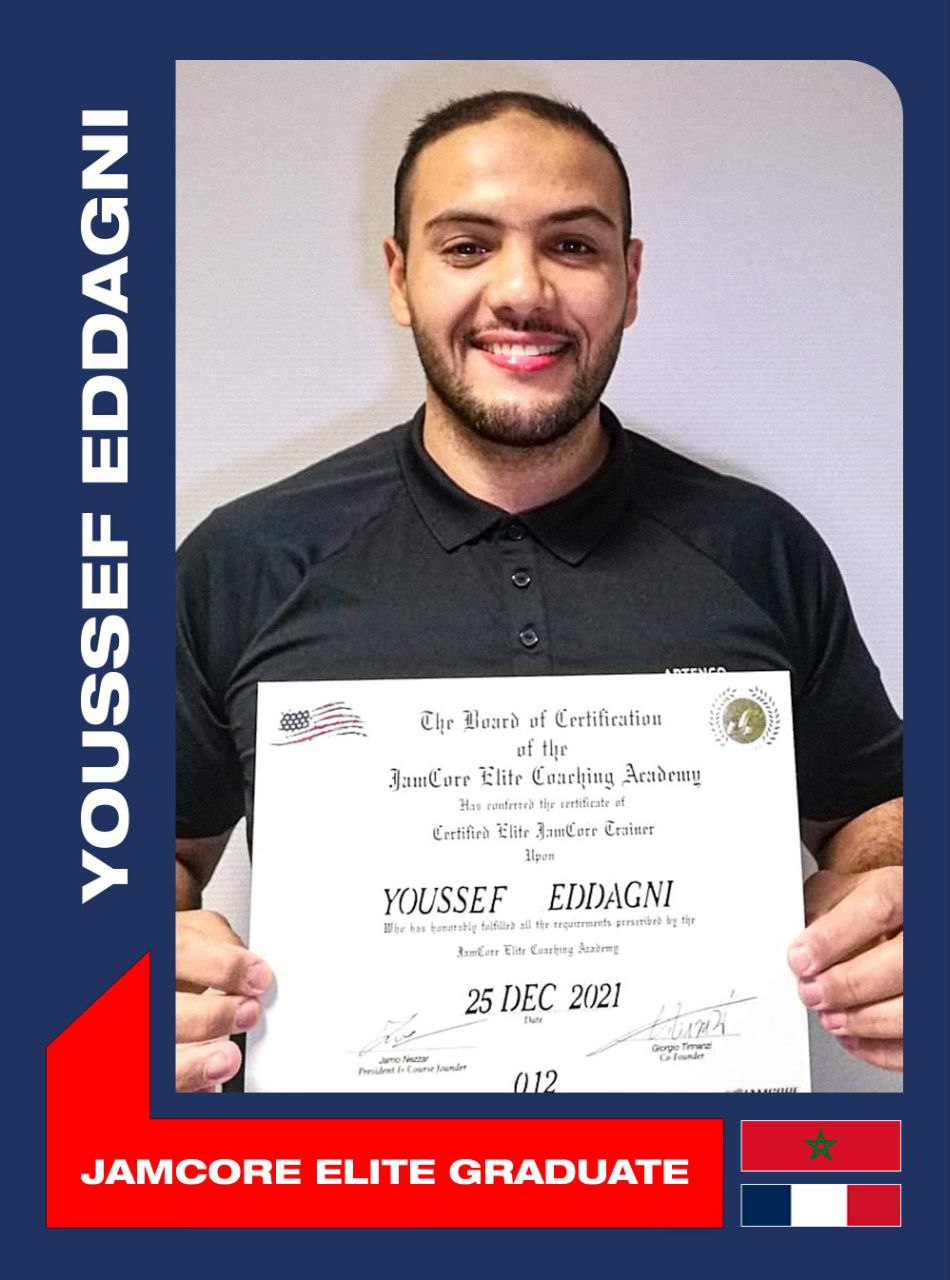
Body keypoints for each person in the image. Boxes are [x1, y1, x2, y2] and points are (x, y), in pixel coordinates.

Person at [175, 91, 903, 1092]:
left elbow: (871, 806)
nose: (521, 290)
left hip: (692, 1180)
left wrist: (888, 894)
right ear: (399, 276)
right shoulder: (246, 559)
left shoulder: (759, 547)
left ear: (629, 280)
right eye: (467, 247)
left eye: (571, 246)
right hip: (348, 1178)